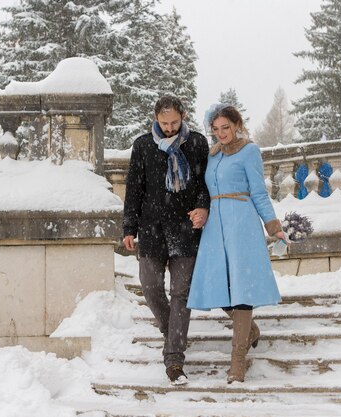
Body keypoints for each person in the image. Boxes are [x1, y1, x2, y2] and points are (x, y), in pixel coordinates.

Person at [187, 104, 288, 384]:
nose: (221, 134)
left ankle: (238, 361)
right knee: (215, 285)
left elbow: (258, 191)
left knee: (241, 290)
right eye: (216, 129)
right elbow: (204, 191)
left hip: (241, 224)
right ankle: (250, 330)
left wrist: (273, 226)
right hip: (214, 227)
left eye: (226, 128)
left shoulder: (249, 151)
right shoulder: (212, 155)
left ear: (236, 125)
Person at [123, 95, 210, 385]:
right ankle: (170, 327)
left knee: (181, 295)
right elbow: (134, 189)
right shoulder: (143, 145)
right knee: (150, 288)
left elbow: (204, 183)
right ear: (156, 119)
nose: (170, 128)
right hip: (151, 229)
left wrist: (202, 207)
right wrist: (128, 227)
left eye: (175, 122)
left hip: (186, 229)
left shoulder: (196, 143)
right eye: (164, 123)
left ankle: (174, 360)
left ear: (183, 116)